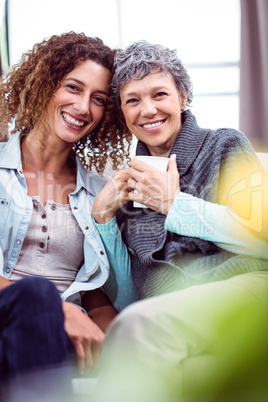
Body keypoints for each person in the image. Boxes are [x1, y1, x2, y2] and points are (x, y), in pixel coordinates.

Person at [91, 41, 268, 401]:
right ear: (123, 112)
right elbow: (128, 297)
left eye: (159, 94)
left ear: (183, 96)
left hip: (247, 286)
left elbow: (260, 237)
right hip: (173, 311)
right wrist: (105, 220)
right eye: (133, 100)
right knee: (133, 325)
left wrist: (174, 205)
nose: (148, 109)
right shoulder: (126, 186)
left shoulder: (224, 145)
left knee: (139, 328)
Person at [0, 32, 138, 401]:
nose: (82, 107)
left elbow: (94, 294)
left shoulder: (99, 192)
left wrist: (122, 341)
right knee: (36, 295)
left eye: (98, 99)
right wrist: (57, 307)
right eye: (73, 88)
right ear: (45, 85)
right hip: (10, 313)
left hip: (59, 339)